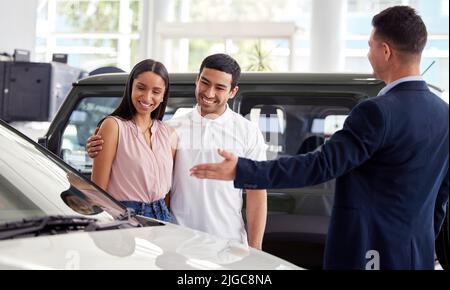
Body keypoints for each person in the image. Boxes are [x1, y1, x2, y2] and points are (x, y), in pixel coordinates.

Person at [190, 6, 449, 270]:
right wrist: (419, 240)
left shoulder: (378, 112)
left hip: (370, 255)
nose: (368, 54)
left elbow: (321, 165)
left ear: (385, 51)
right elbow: (441, 197)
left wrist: (242, 169)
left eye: (370, 46)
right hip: (418, 254)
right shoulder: (444, 113)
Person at [87, 54, 268, 249]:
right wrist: (97, 146)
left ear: (233, 92)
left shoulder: (248, 131)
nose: (209, 92)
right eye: (205, 83)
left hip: (228, 243)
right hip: (178, 241)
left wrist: (255, 250)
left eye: (220, 88)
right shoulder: (172, 129)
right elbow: (157, 180)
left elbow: (256, 194)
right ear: (196, 81)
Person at [90, 59, 175, 222]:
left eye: (156, 91)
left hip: (162, 215)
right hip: (126, 215)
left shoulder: (168, 132)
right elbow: (98, 192)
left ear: (163, 95)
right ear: (131, 87)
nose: (147, 97)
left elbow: (169, 190)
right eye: (141, 88)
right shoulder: (113, 126)